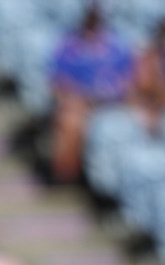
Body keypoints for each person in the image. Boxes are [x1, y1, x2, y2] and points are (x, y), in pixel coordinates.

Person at [47, 4, 135, 184]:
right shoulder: (70, 46)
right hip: (83, 102)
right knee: (71, 122)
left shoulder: (115, 45)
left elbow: (130, 77)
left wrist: (118, 90)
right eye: (91, 18)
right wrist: (82, 95)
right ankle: (67, 176)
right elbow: (58, 82)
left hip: (116, 102)